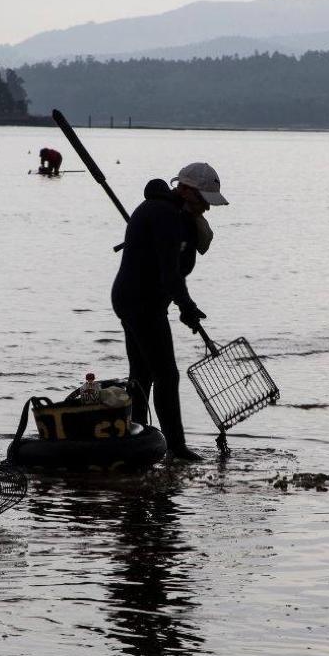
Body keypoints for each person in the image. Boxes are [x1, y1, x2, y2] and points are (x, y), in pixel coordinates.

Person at [111, 163, 228, 462]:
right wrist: (186, 307)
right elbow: (169, 273)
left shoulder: (175, 215)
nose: (206, 207)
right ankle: (176, 448)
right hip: (140, 301)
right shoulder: (163, 214)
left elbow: (172, 271)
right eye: (203, 199)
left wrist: (182, 304)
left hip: (139, 299)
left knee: (143, 373)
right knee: (166, 374)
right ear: (186, 190)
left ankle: (135, 436)